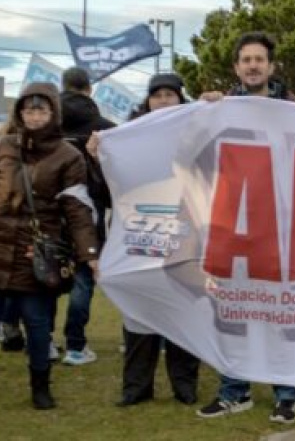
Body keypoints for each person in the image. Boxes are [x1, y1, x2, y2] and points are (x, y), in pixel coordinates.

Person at [196, 32, 295, 425]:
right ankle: (233, 391)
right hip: (233, 229)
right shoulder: (220, 108)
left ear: (271, 66)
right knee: (232, 314)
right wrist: (203, 110)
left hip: (280, 230)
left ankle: (287, 396)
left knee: (280, 317)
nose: (253, 66)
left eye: (260, 59)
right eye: (247, 60)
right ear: (237, 67)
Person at [0, 82, 99, 409]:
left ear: (53, 113)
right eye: (29, 110)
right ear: (19, 113)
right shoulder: (4, 147)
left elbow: (77, 209)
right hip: (1, 244)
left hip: (37, 252)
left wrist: (89, 253)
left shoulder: (68, 156)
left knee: (37, 323)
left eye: (41, 110)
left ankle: (40, 386)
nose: (34, 116)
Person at [110, 73, 202, 408]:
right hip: (141, 233)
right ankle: (136, 386)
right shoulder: (129, 136)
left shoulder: (194, 133)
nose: (163, 101)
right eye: (157, 95)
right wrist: (96, 153)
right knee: (139, 314)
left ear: (180, 99)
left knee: (182, 311)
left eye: (169, 95)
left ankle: (184, 384)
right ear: (147, 101)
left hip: (183, 235)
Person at [58, 66, 115, 366]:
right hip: (90, 209)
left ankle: (43, 342)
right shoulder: (104, 127)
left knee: (45, 276)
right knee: (83, 276)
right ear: (89, 89)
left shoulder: (46, 123)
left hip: (50, 210)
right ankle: (75, 345)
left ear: (63, 85)